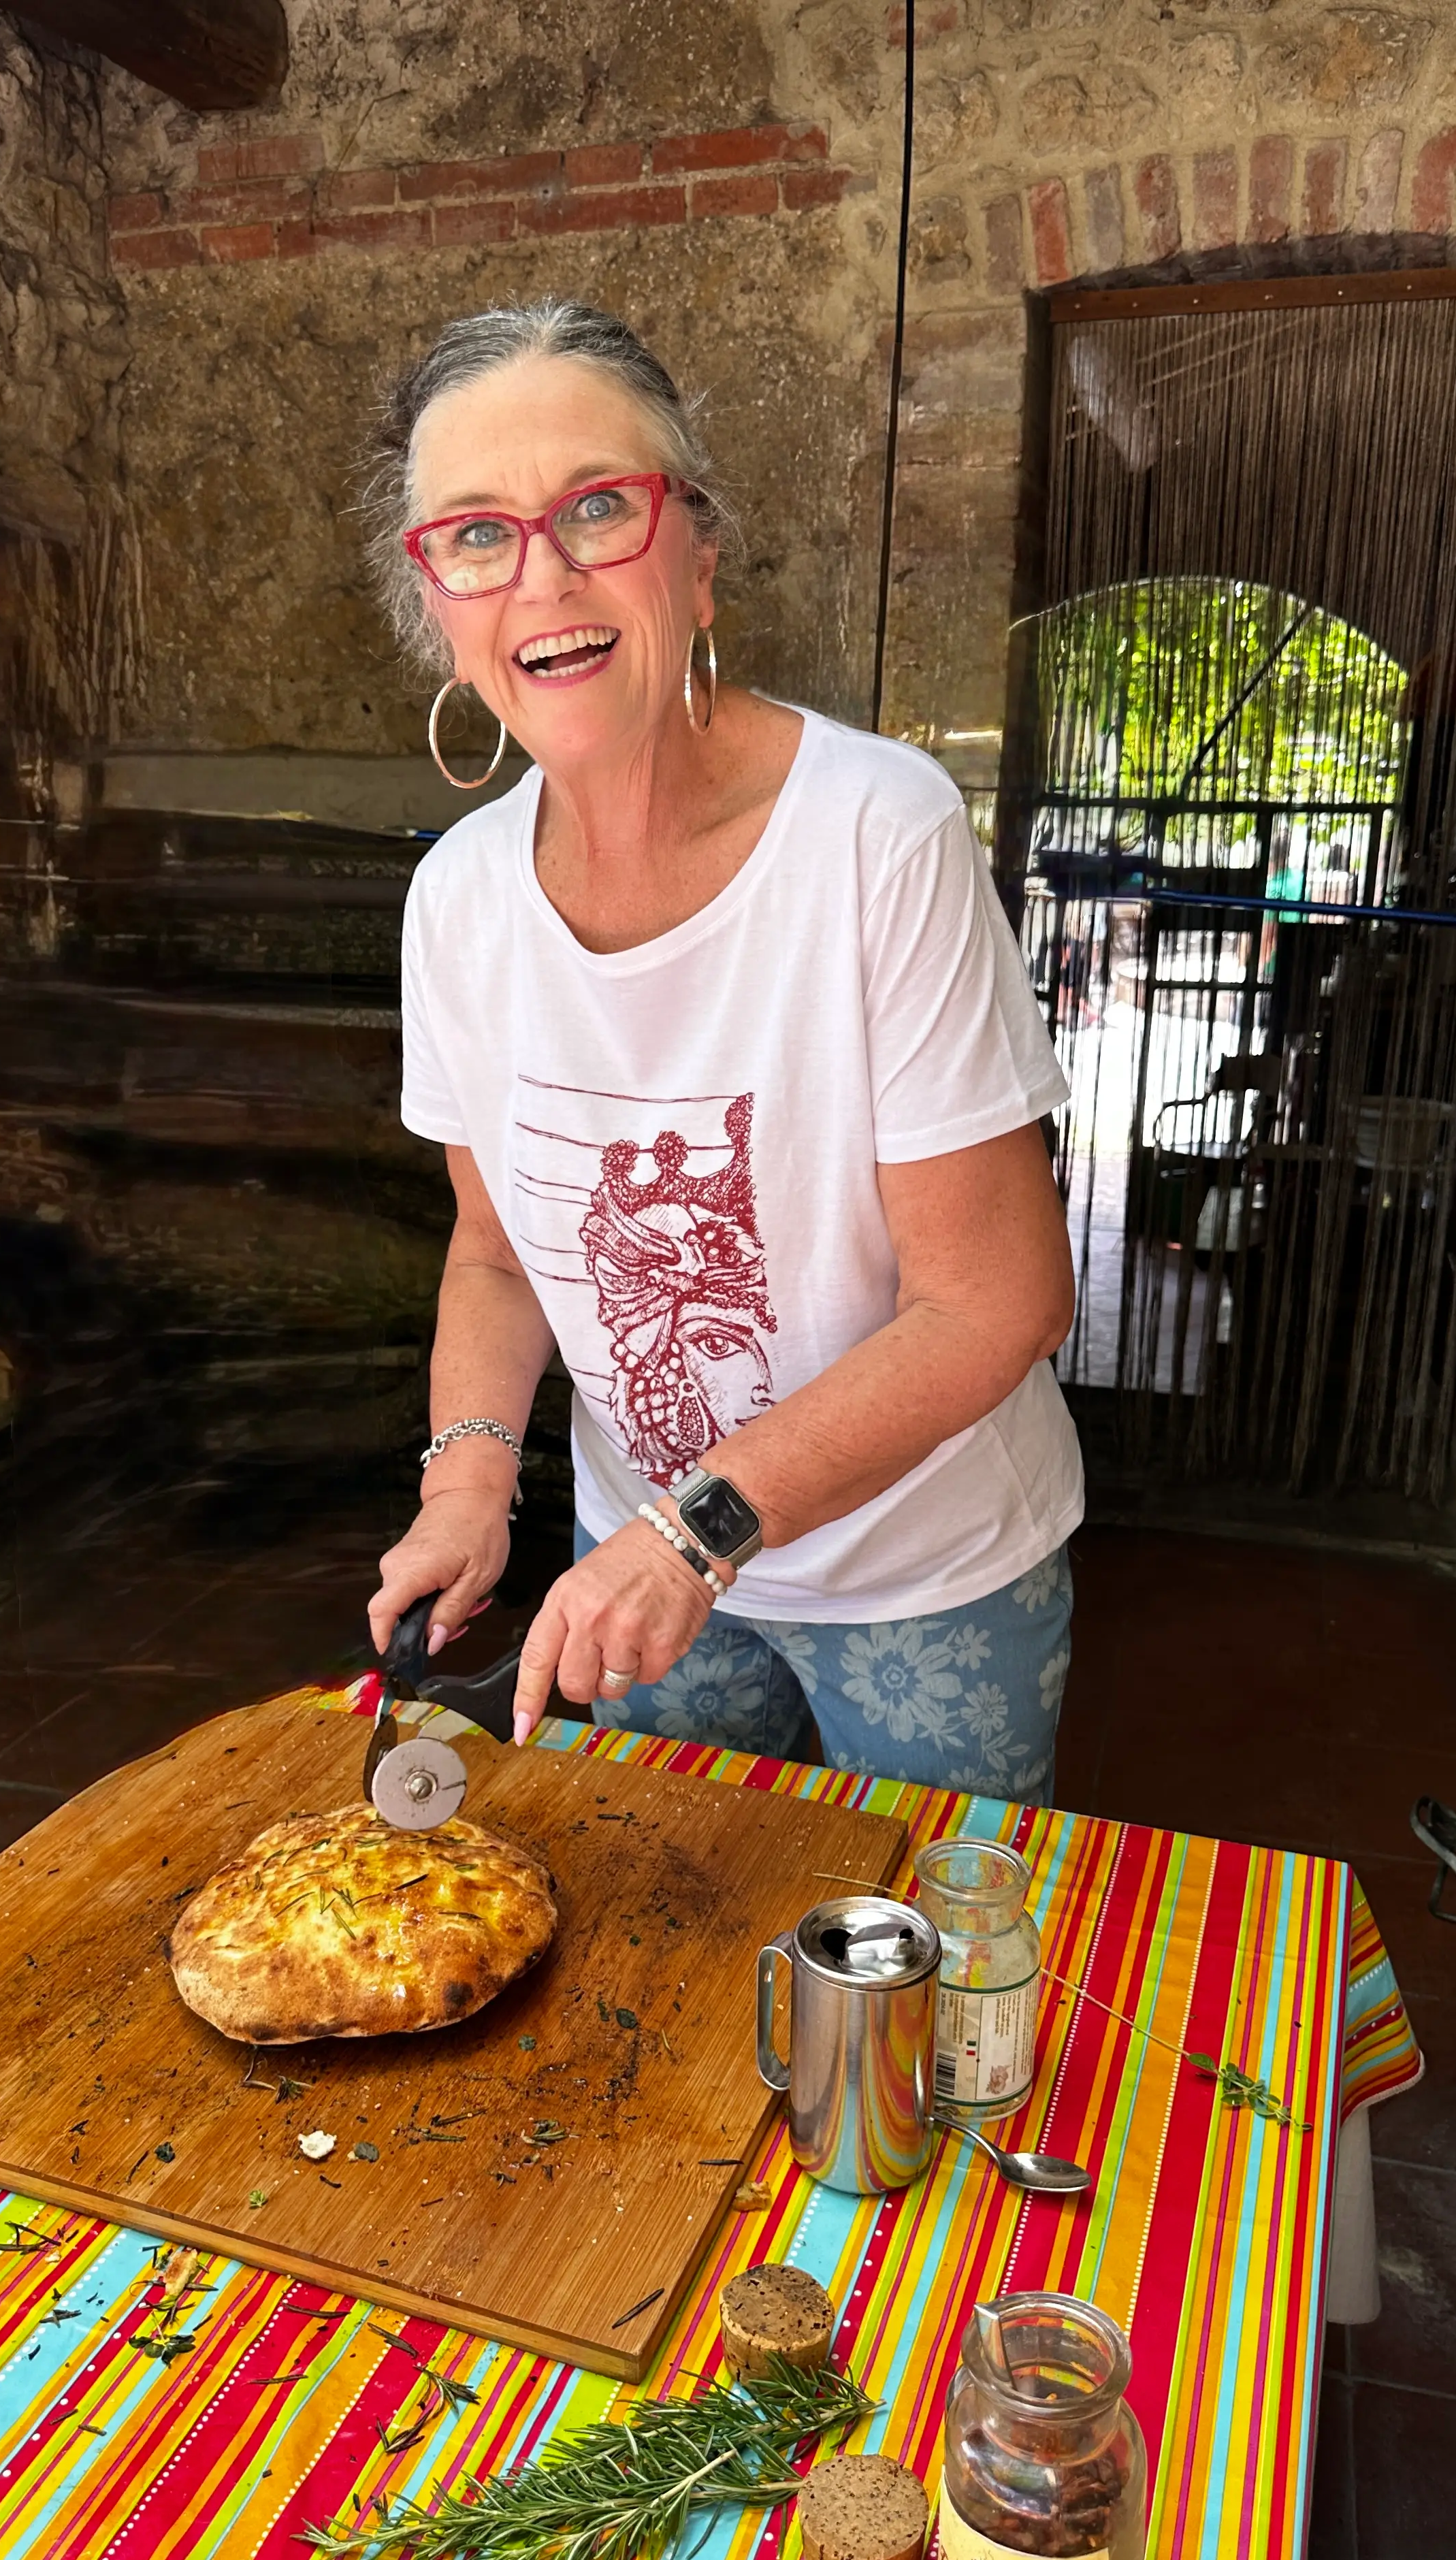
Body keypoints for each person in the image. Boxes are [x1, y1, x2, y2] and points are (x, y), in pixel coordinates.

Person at [363, 299, 1083, 1801]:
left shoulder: (877, 836)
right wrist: (472, 1480)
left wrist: (696, 1532)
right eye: (478, 535)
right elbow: (496, 1253)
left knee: (922, 1972)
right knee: (653, 1956)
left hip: (923, 1570)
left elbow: (994, 1300)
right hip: (632, 1569)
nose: (543, 575)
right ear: (439, 603)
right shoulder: (460, 902)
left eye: (600, 509)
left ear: (697, 554)